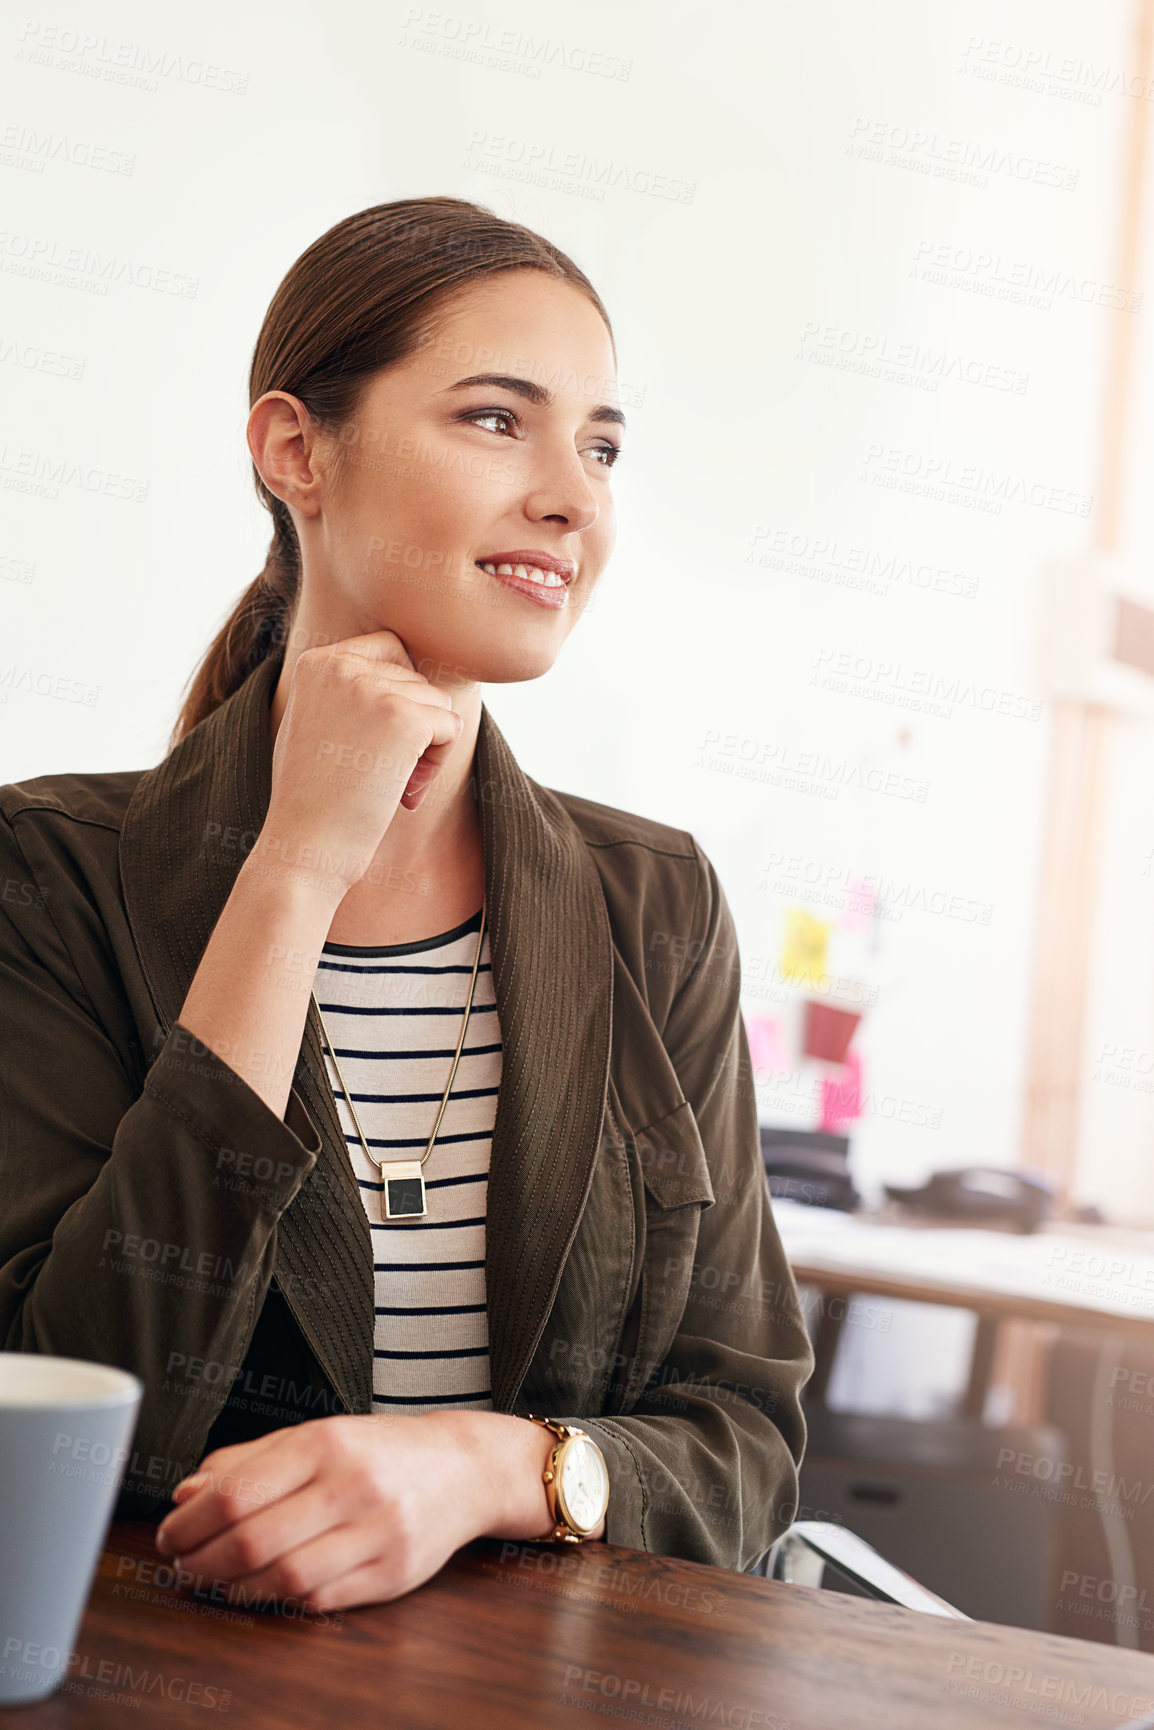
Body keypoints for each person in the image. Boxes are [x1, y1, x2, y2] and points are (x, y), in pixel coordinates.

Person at [0, 196, 813, 1613]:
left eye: (601, 445)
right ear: (294, 450)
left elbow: (742, 1443)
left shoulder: (654, 901)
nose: (572, 494)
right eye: (498, 420)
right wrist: (293, 871)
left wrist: (490, 1467)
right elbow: (67, 1436)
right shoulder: (49, 870)